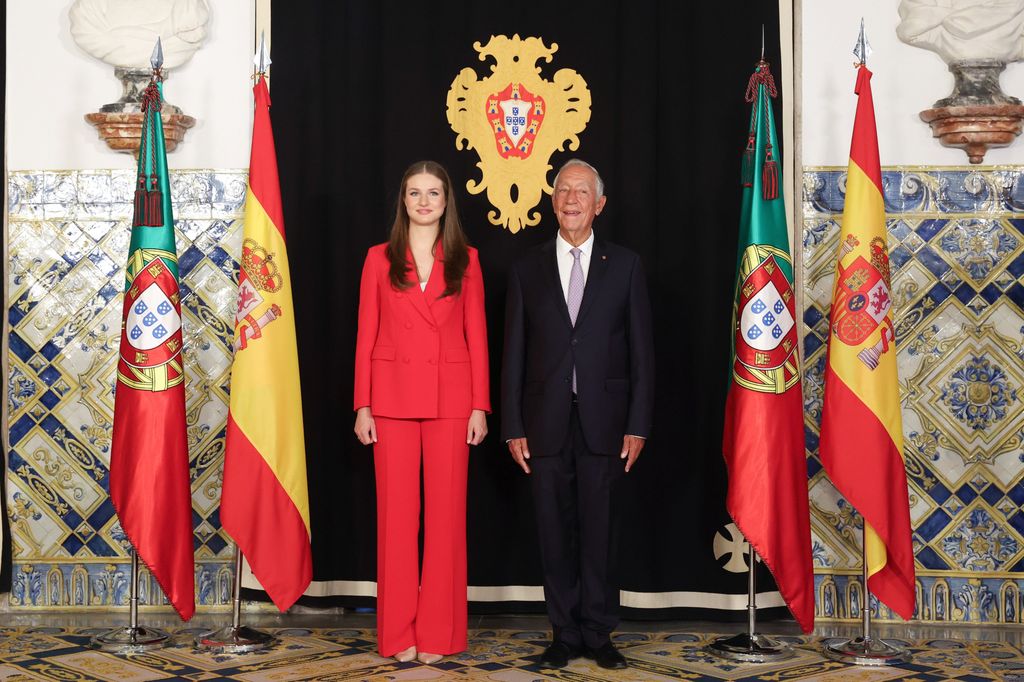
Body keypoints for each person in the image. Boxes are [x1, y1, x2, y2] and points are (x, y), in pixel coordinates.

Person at [501, 159, 654, 670]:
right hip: (542, 421)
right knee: (553, 530)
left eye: (582, 191)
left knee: (601, 529)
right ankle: (563, 634)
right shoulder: (527, 266)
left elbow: (641, 351)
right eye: (563, 189)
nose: (571, 199)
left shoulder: (626, 264)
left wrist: (638, 422)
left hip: (607, 422)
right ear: (552, 200)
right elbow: (513, 352)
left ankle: (598, 631)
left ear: (599, 204)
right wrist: (512, 425)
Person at [354, 160, 489, 663]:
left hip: (452, 402)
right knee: (396, 520)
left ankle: (439, 633)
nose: (425, 202)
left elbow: (477, 335)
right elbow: (365, 336)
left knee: (447, 521)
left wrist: (480, 405)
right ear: (403, 201)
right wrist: (362, 405)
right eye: (416, 193)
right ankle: (397, 635)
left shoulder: (467, 259)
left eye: (434, 193)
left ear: (447, 200)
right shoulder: (377, 259)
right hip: (389, 400)